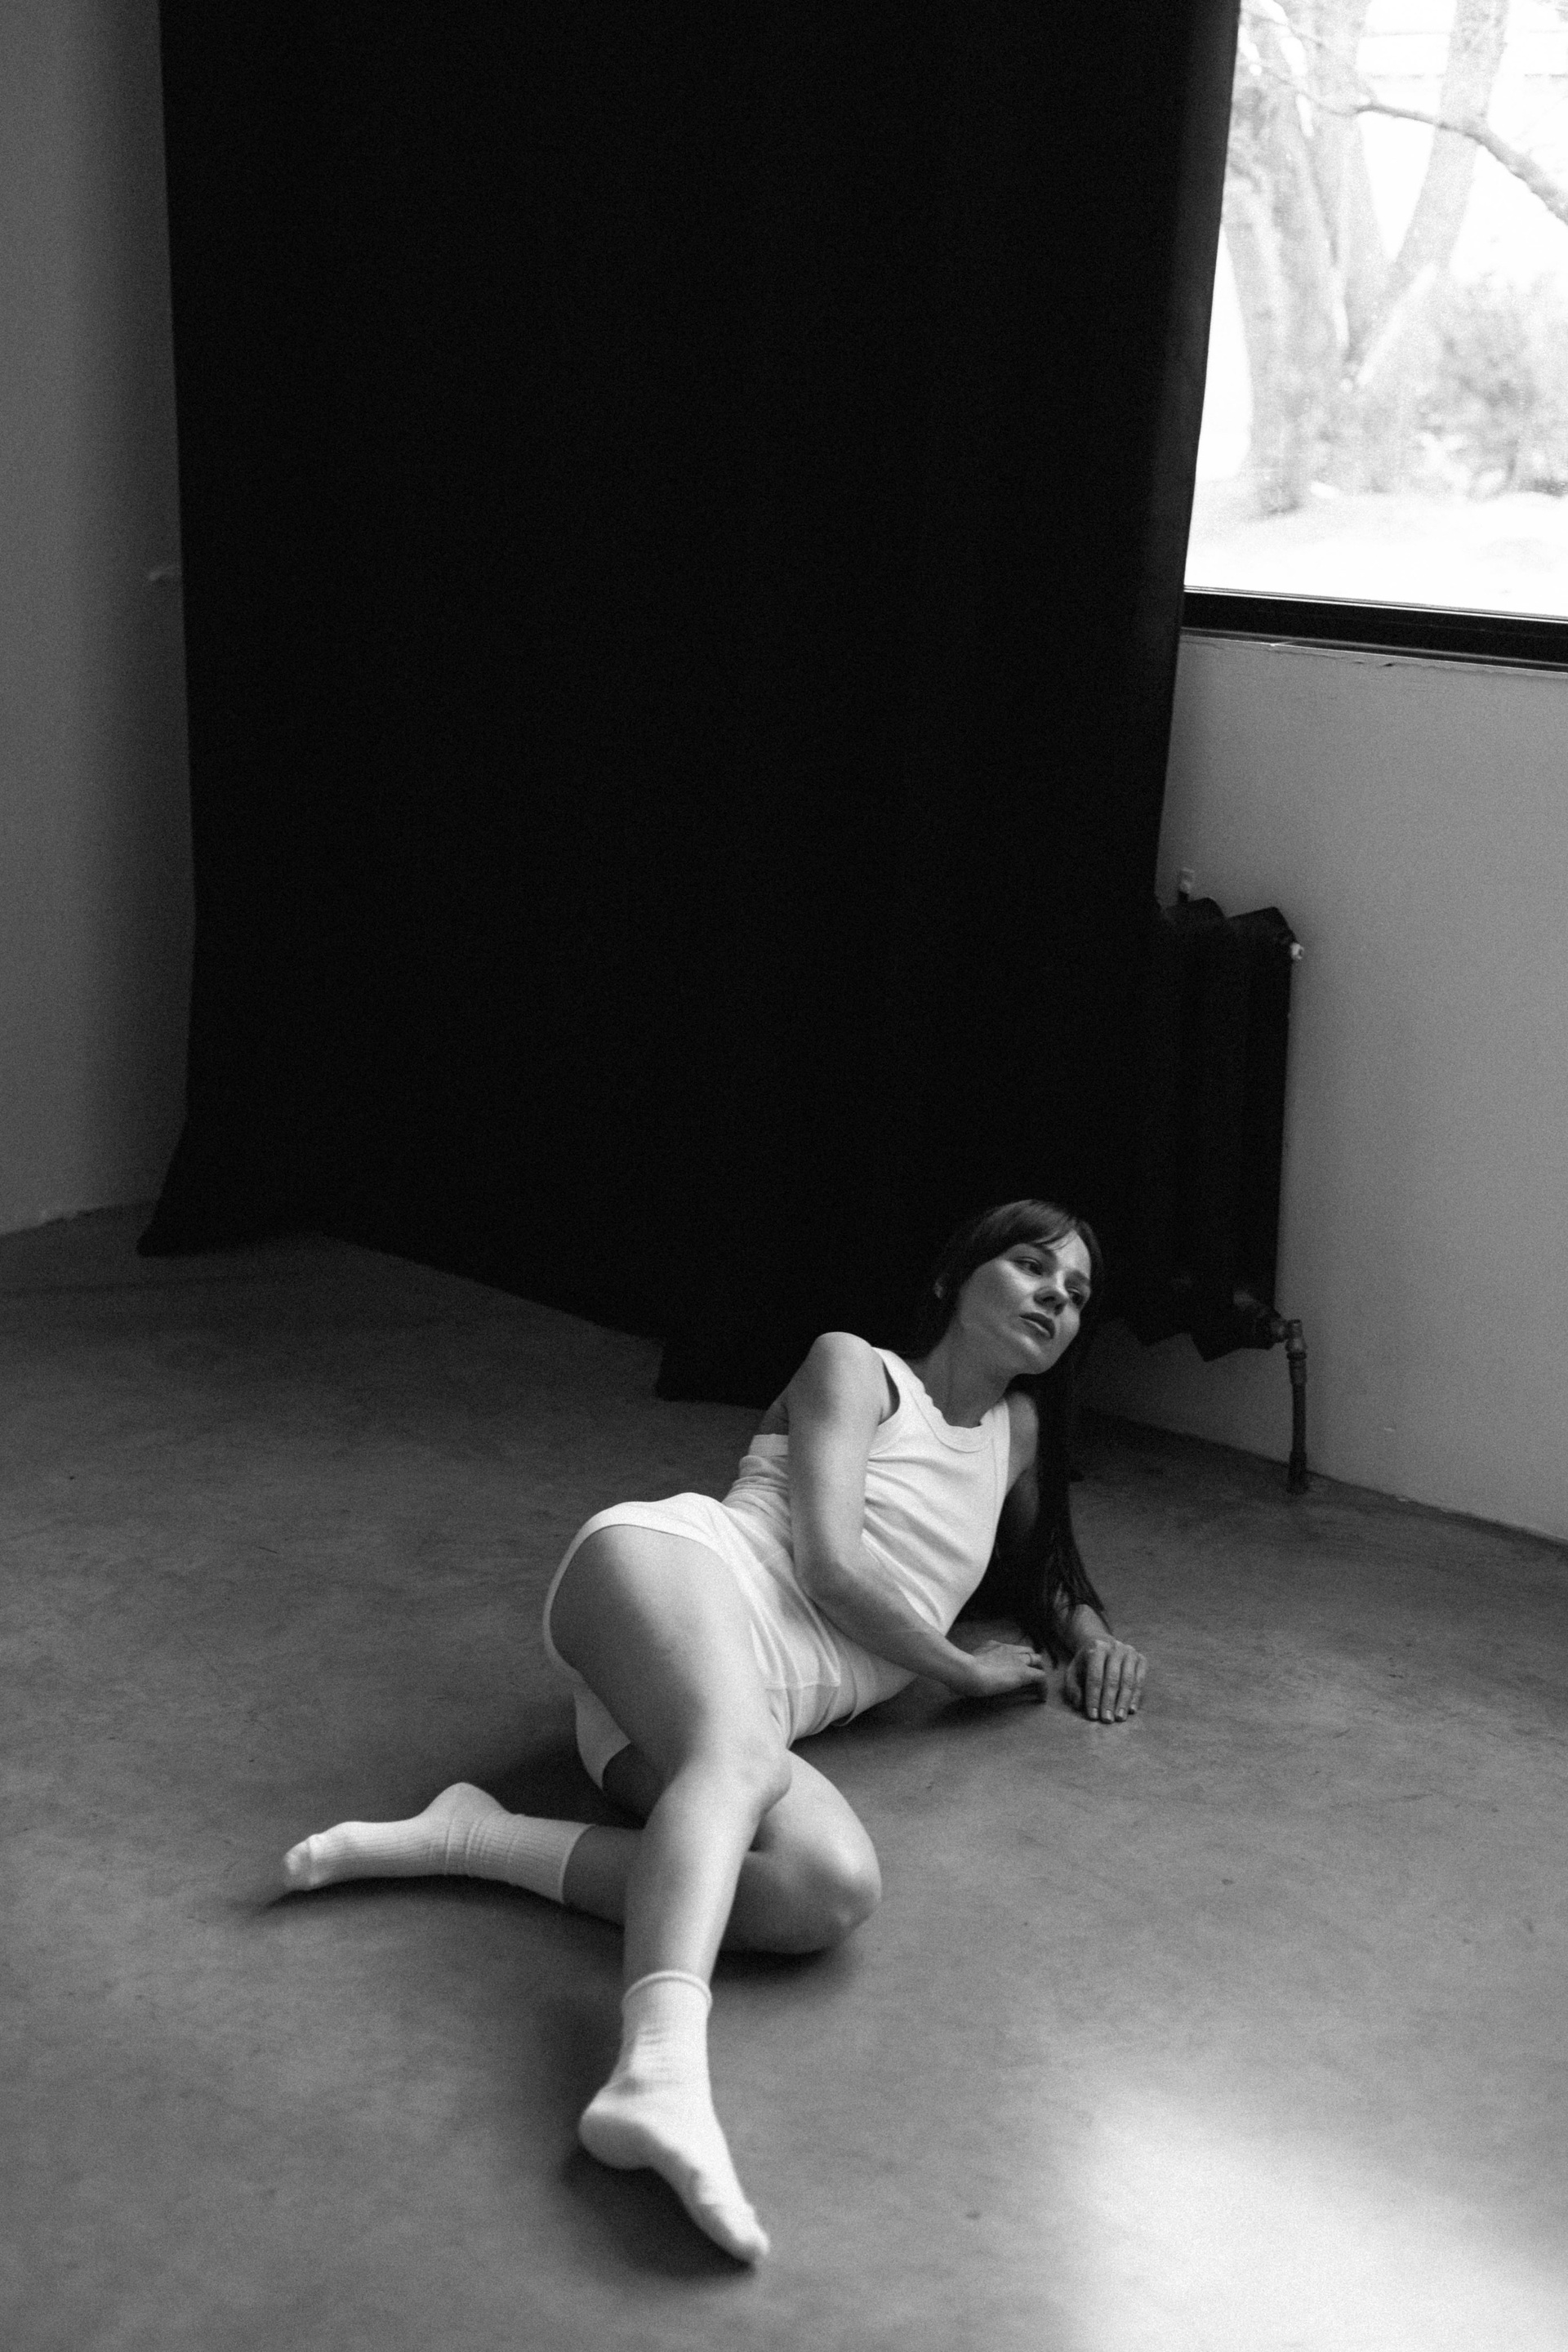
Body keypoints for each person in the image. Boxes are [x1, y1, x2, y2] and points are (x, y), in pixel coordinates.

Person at [281, 1198, 1147, 2263]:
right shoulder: (857, 1368)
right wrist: (961, 1669)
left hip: (699, 1723)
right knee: (734, 1762)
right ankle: (658, 2076)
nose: (1057, 1297)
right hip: (671, 1575)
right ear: (953, 1278)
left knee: (828, 1888)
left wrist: (1092, 1634)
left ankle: (474, 1837)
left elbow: (1036, 1565)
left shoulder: (1017, 1434)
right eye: (1031, 1267)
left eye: (1077, 1294)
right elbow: (831, 1565)